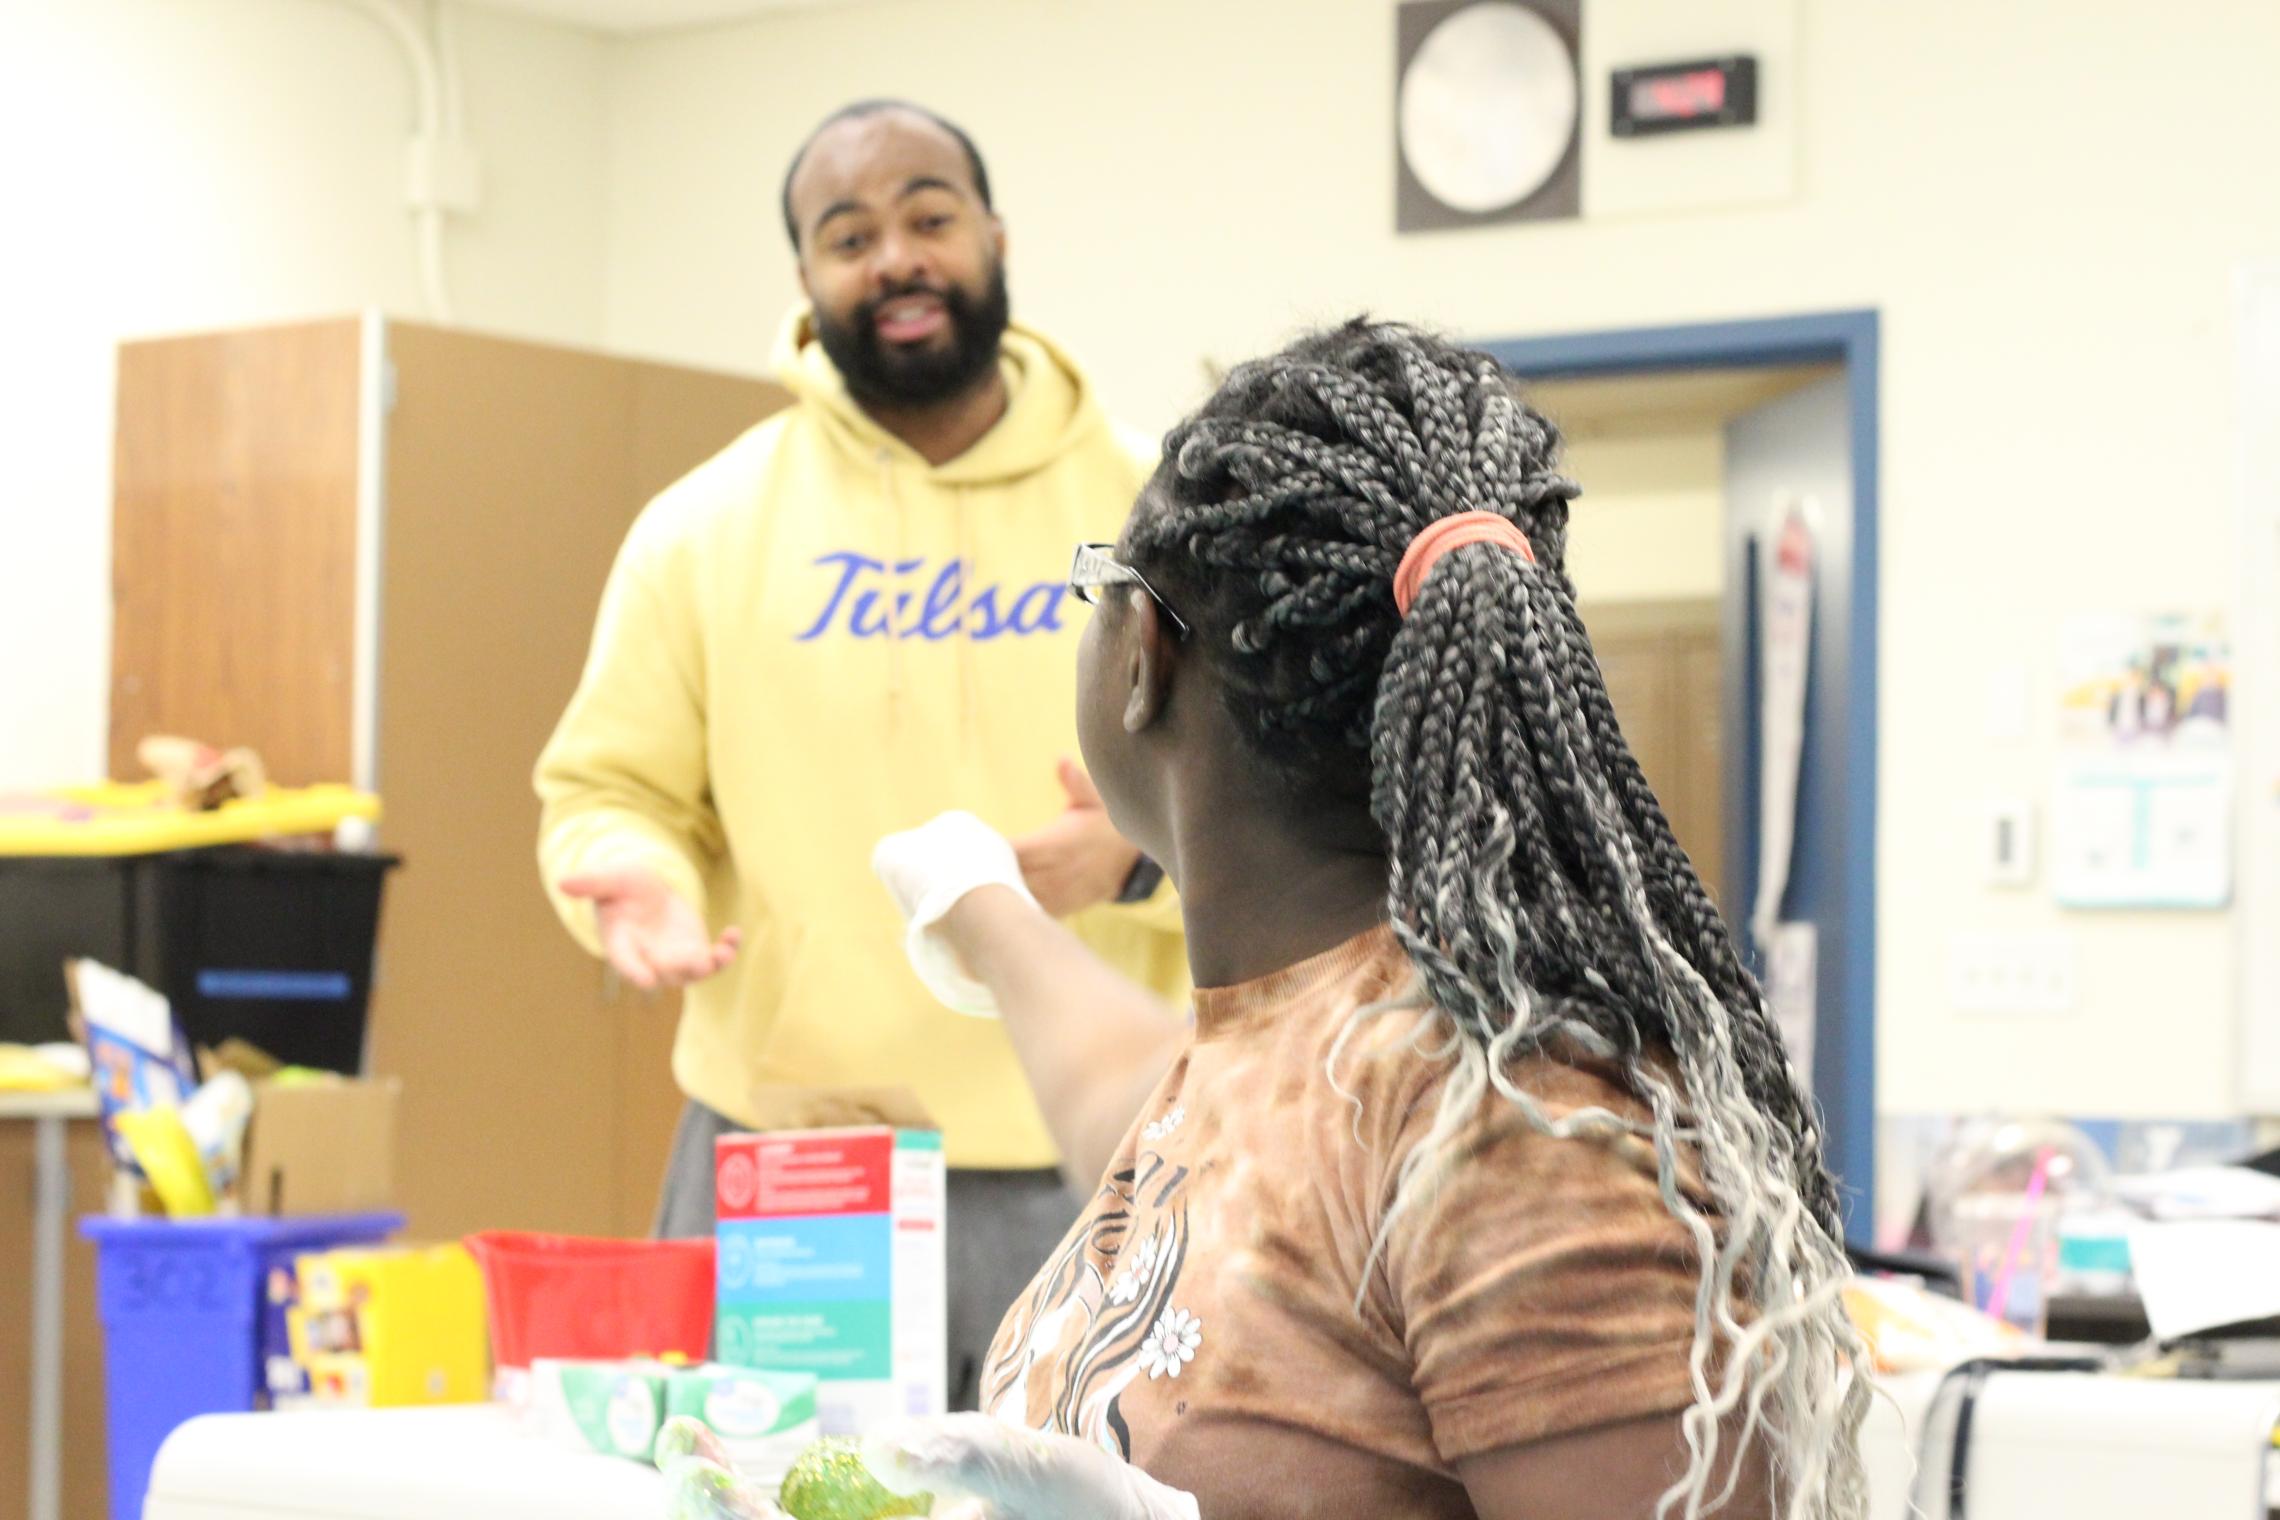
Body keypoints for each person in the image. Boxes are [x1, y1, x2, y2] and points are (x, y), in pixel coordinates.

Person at [668, 321, 1867, 1520]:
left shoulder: (1523, 1131)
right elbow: (1140, 1103)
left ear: (1140, 654)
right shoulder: (1288, 1030)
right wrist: (974, 902)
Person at [534, 99, 1186, 1411]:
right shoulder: (703, 528)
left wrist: (1136, 852)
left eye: (929, 218)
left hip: (1105, 1150)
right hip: (795, 1158)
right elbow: (609, 790)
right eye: (849, 236)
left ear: (993, 236)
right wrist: (630, 867)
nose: (895, 258)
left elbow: (1286, 784)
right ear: (806, 281)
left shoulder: (1150, 509)